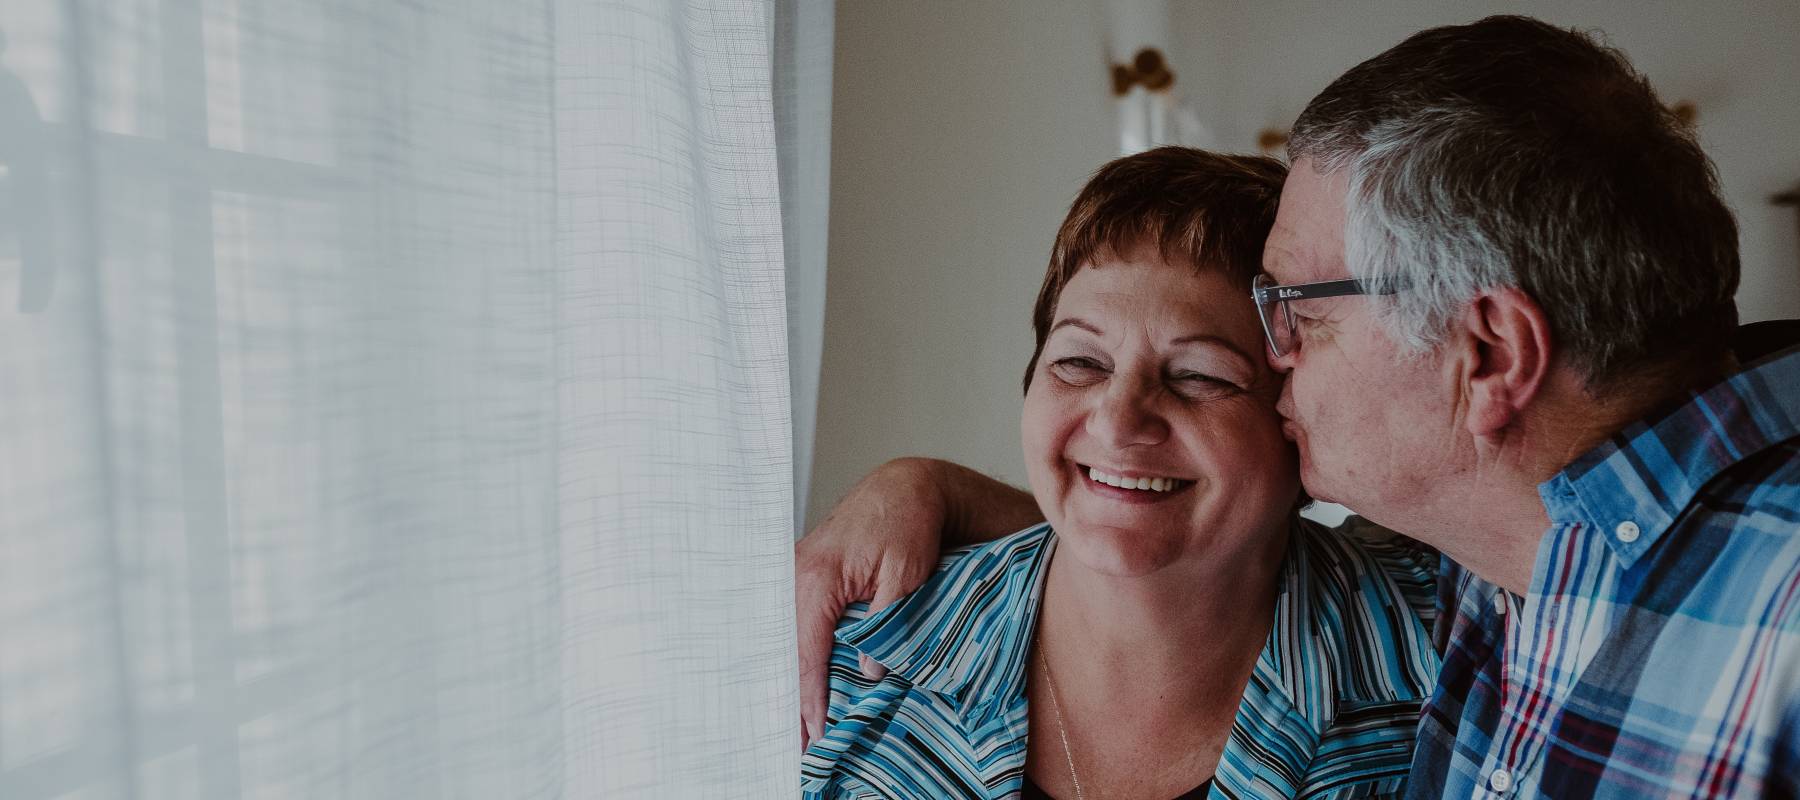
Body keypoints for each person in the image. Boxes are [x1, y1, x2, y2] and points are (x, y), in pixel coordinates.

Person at [797, 16, 1800, 799]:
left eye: (1297, 313)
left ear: (1489, 354)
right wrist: (926, 487)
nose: (1282, 362)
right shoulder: (1505, 571)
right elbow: (1182, 540)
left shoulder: (1758, 612)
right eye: (1076, 361)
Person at [801, 148, 1440, 798]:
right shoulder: (845, 663)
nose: (1117, 421)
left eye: (1200, 375)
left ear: (1298, 419)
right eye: (1080, 360)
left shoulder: (1447, 654)